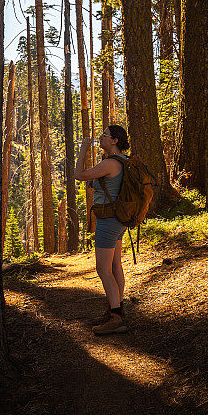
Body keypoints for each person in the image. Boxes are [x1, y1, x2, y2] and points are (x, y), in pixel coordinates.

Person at [74, 125, 130, 335]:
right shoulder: (124, 161)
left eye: (105, 135)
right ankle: (116, 310)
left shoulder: (109, 163)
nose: (101, 138)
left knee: (103, 269)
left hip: (108, 221)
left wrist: (82, 149)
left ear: (114, 141)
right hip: (120, 220)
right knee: (115, 266)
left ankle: (116, 317)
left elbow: (79, 174)